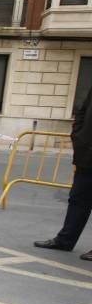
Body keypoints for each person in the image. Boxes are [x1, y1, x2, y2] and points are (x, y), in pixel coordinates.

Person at [35, 85, 92, 261]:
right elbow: (83, 110)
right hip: (87, 152)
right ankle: (65, 240)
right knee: (77, 199)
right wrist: (78, 136)